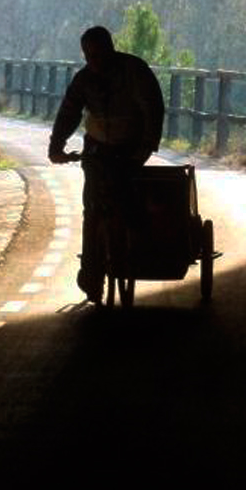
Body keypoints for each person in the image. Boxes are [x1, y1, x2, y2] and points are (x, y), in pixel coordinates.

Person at [48, 25, 166, 302]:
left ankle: (141, 247)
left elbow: (152, 108)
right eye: (88, 56)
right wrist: (56, 147)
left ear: (111, 49)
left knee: (130, 200)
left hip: (131, 150)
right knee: (92, 209)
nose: (94, 61)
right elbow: (69, 112)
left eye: (98, 54)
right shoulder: (84, 79)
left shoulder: (135, 71)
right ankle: (92, 275)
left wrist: (146, 147)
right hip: (97, 152)